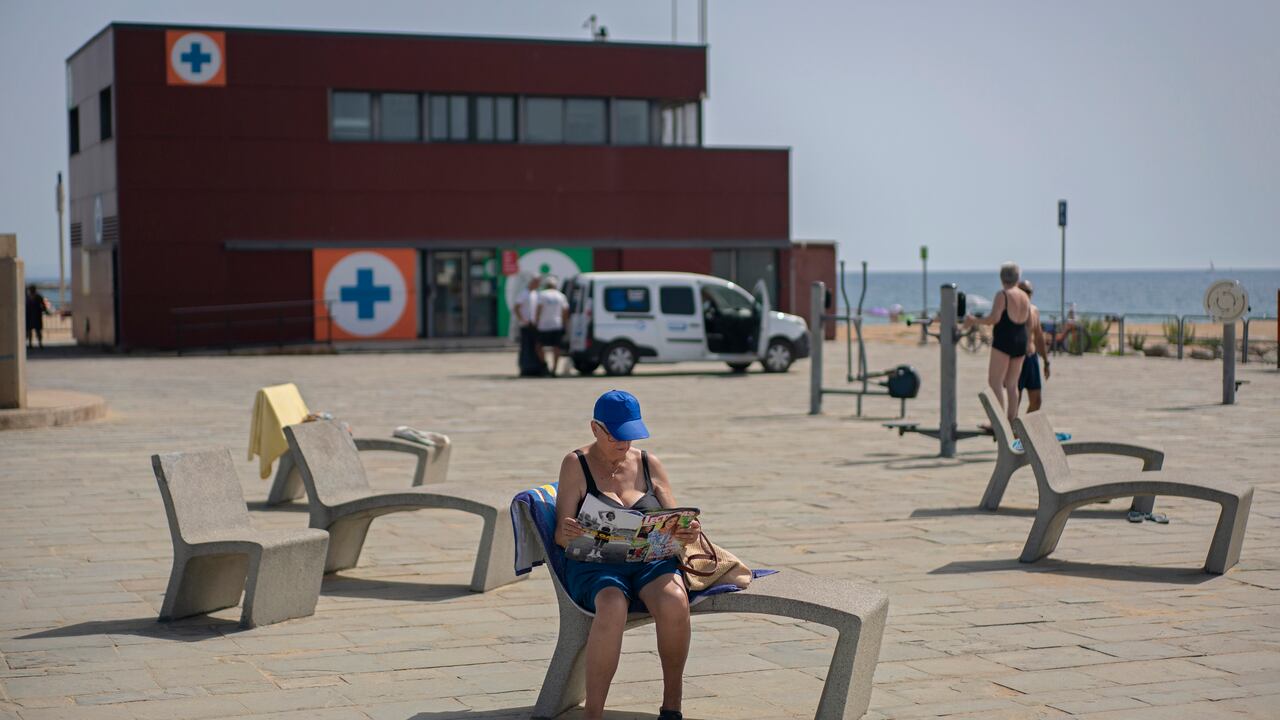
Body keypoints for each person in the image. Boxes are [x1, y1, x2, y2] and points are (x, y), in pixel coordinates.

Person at [554, 390, 701, 720]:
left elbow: (675, 519)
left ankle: (672, 706)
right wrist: (569, 530)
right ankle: (594, 714)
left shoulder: (649, 463)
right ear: (596, 428)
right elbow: (560, 536)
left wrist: (686, 532)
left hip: (649, 561)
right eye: (617, 434)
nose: (625, 442)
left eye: (630, 433)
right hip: (595, 566)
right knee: (611, 605)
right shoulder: (575, 464)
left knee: (675, 599)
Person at [964, 262, 1030, 423]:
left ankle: (999, 423)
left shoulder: (1003, 294)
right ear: (1017, 277)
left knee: (995, 382)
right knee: (1012, 384)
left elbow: (994, 318)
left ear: (1002, 277)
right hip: (1021, 338)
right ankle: (1012, 420)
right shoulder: (1024, 296)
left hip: (1004, 339)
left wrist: (974, 321)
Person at [1016, 280, 1050, 412]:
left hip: (1031, 359)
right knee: (1015, 400)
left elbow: (1039, 337)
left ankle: (1021, 429)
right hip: (1016, 359)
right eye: (1021, 291)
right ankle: (1010, 429)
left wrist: (1046, 362)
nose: (1025, 294)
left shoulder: (1034, 311)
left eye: (1028, 291)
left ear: (1032, 294)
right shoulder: (1010, 311)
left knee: (1036, 401)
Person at [535, 275, 570, 376]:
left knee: (539, 346)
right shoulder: (561, 296)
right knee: (556, 347)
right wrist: (565, 324)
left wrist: (536, 322)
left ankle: (545, 365)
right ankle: (554, 368)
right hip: (556, 324)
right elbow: (565, 311)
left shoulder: (542, 295)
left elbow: (539, 309)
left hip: (543, 325)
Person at [514, 275, 545, 376]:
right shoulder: (524, 294)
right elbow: (517, 307)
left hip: (533, 324)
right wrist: (523, 320)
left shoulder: (535, 294)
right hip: (526, 324)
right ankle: (525, 367)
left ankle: (535, 367)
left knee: (534, 347)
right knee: (526, 347)